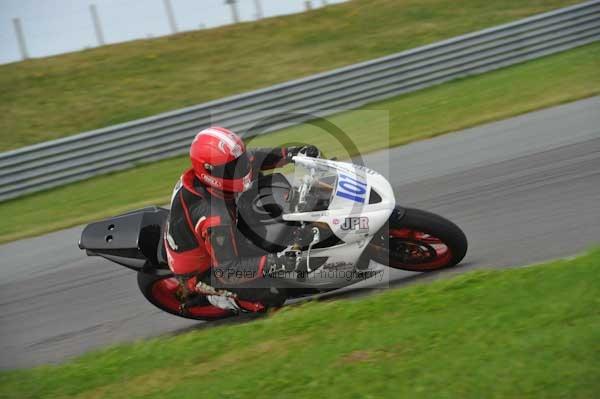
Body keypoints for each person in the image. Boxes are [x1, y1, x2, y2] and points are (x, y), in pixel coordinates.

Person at [164, 126, 319, 313]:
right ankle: (214, 299)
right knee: (273, 293)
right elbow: (228, 270)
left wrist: (292, 154)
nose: (241, 169)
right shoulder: (214, 216)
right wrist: (275, 261)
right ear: (210, 172)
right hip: (207, 270)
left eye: (240, 163)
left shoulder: (214, 175)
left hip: (208, 237)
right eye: (232, 168)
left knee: (260, 192)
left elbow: (254, 157)